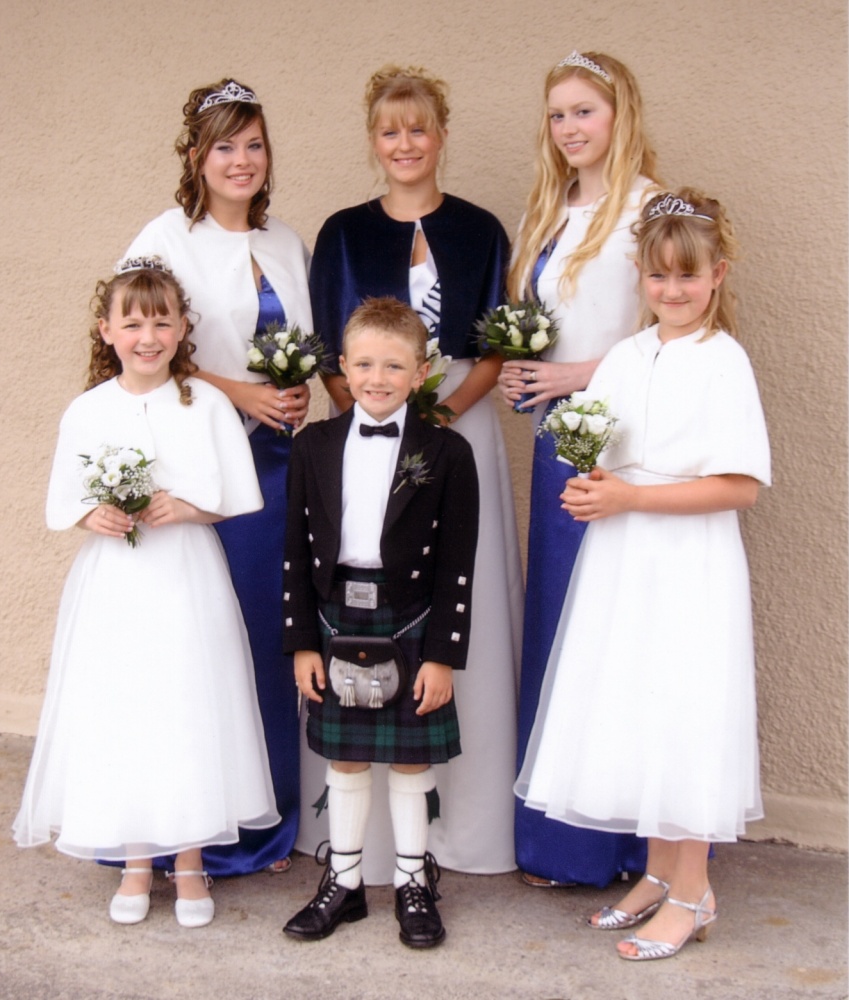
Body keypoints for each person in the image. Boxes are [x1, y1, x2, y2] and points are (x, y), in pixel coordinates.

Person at [516, 189, 771, 960]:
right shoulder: (626, 359)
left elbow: (740, 486)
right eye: (658, 276)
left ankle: (693, 893)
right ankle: (659, 876)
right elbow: (596, 450)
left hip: (687, 563)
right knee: (635, 704)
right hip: (623, 561)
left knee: (683, 712)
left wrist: (629, 494)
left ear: (717, 274)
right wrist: (592, 484)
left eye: (687, 277)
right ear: (639, 276)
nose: (672, 291)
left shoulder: (722, 362)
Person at [13, 260, 280, 927]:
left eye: (162, 321)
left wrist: (186, 509)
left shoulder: (206, 402)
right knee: (126, 706)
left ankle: (189, 864)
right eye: (132, 322)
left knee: (187, 706)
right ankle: (136, 862)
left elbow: (236, 497)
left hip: (186, 574)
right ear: (106, 331)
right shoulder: (89, 409)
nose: (148, 336)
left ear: (183, 327)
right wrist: (91, 515)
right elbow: (63, 499)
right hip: (117, 581)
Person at [304, 64, 521, 882]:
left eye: (418, 128)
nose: (405, 143)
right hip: (367, 416)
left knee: (455, 587)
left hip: (456, 425)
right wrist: (380, 415)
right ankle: (353, 838)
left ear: (440, 136)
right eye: (389, 130)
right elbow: (331, 348)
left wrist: (443, 412)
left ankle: (461, 827)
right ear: (373, 141)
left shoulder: (479, 227)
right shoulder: (344, 232)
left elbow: (496, 340)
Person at [125, 79, 313, 875]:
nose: (242, 161)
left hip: (277, 470)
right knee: (202, 639)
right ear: (196, 156)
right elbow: (134, 344)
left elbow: (308, 345)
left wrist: (303, 391)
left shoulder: (287, 245)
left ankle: (264, 821)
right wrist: (240, 392)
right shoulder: (165, 238)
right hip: (204, 467)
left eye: (255, 144)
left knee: (270, 637)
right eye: (225, 145)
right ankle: (183, 825)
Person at [498, 50, 660, 887]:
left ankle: (624, 844)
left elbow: (665, 334)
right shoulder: (550, 209)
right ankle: (558, 840)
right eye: (557, 114)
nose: (568, 129)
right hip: (558, 440)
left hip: (625, 444)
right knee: (563, 623)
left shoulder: (646, 212)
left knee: (613, 634)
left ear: (618, 114)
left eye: (583, 112)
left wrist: (571, 375)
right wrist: (531, 370)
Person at [281, 297, 479, 947]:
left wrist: (442, 655)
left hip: (411, 618)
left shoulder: (447, 453)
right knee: (344, 760)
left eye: (393, 366)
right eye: (363, 364)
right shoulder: (312, 446)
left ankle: (411, 884)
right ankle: (342, 883)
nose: (376, 378)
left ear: (421, 372)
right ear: (340, 368)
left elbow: (456, 564)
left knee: (408, 765)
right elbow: (293, 551)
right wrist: (302, 643)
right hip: (337, 612)